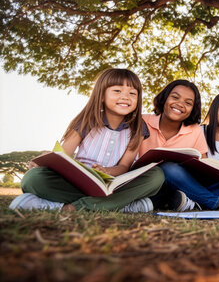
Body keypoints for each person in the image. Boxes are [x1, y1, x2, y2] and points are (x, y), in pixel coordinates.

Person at [10, 68, 164, 212]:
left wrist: (107, 171)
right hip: (77, 183)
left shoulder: (138, 127)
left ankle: (69, 207)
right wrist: (45, 160)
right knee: (33, 178)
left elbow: (124, 166)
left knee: (156, 176)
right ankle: (119, 205)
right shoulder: (86, 120)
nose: (125, 97)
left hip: (113, 184)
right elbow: (62, 155)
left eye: (132, 93)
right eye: (117, 91)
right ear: (101, 95)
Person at [143, 85, 219, 211]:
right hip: (191, 181)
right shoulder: (199, 130)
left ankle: (194, 200)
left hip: (215, 184)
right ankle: (213, 202)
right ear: (214, 109)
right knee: (170, 168)